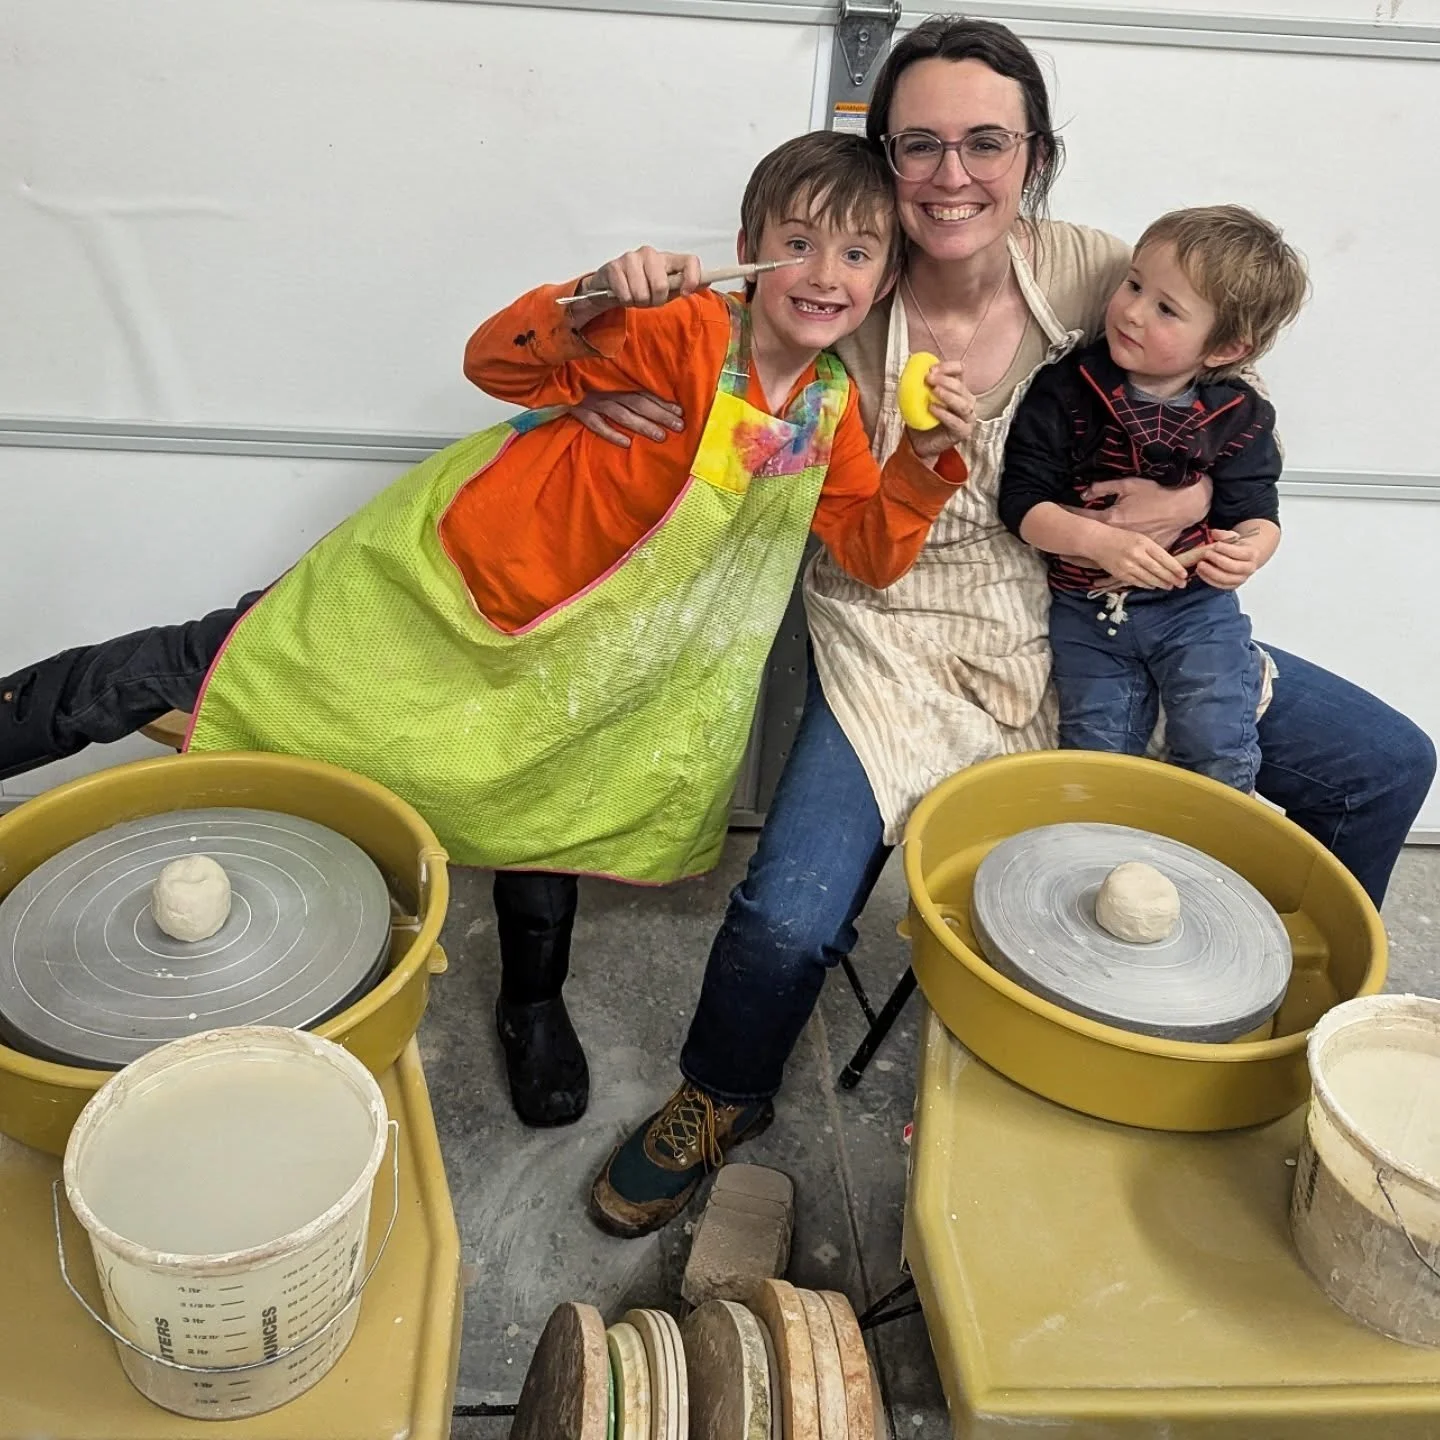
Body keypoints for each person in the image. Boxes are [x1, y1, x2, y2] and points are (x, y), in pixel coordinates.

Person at [584, 16, 1436, 1238]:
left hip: (1089, 611)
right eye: (918, 144)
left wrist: (1199, 501)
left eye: (986, 142)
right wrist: (608, 331)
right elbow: (703, 345)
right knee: (784, 915)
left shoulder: (1093, 267)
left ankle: (1257, 1025)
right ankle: (722, 1094)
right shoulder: (836, 276)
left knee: (1386, 762)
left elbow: (1228, 389)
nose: (951, 176)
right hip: (895, 624)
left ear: (1032, 154)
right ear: (880, 155)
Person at [0, 131, 974, 1129]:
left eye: (857, 254)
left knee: (546, 812)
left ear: (887, 278)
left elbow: (865, 549)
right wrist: (597, 293)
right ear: (747, 244)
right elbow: (495, 359)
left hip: (578, 665)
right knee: (209, 664)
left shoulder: (825, 410)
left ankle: (532, 1005)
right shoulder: (680, 329)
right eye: (799, 242)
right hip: (443, 595)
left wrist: (927, 457)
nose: (823, 274)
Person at [998, 204, 1309, 792]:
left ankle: (1206, 856)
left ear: (1223, 349)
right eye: (1133, 284)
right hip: (1087, 610)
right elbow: (1021, 503)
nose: (1133, 312)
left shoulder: (1240, 416)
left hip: (1194, 610)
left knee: (1217, 743)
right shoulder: (1067, 388)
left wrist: (1250, 551)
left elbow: (1255, 514)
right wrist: (1099, 542)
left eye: (1166, 309)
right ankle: (1108, 859)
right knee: (1095, 758)